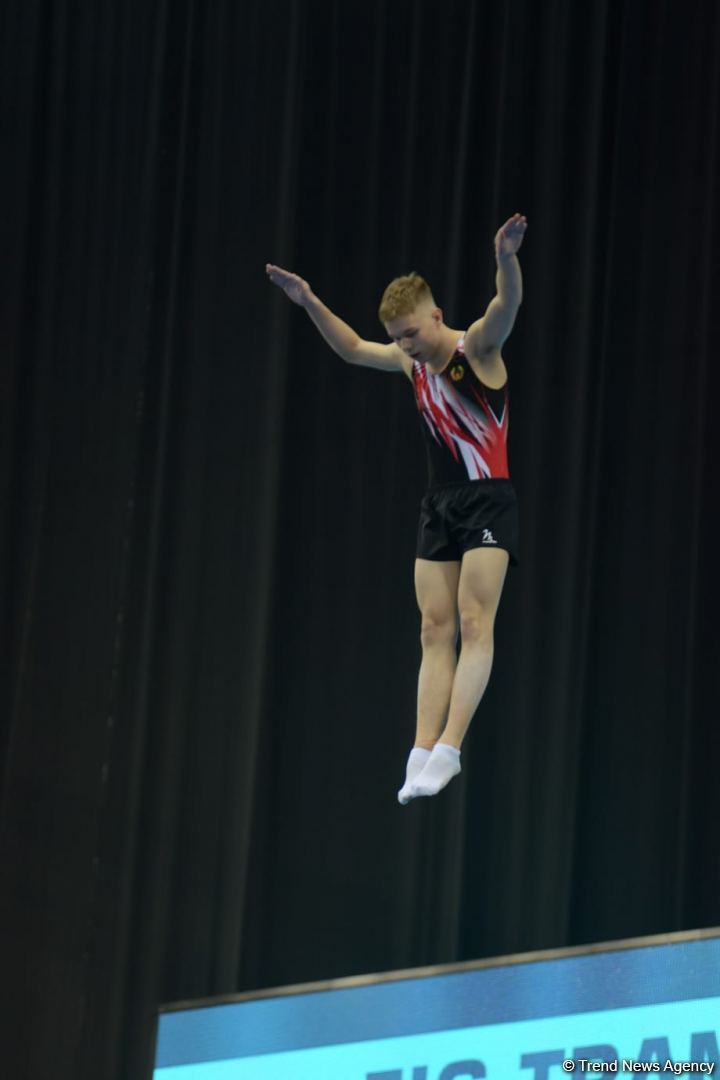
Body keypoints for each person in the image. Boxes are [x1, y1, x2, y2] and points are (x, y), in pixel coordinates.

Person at [266, 213, 527, 803]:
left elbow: (505, 308)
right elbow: (355, 349)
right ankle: (420, 749)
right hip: (439, 504)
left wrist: (505, 258)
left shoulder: (475, 347)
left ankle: (450, 749)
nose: (405, 346)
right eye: (400, 337)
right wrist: (308, 300)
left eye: (411, 333)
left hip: (489, 496)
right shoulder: (410, 363)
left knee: (472, 621)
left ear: (435, 315)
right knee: (433, 628)